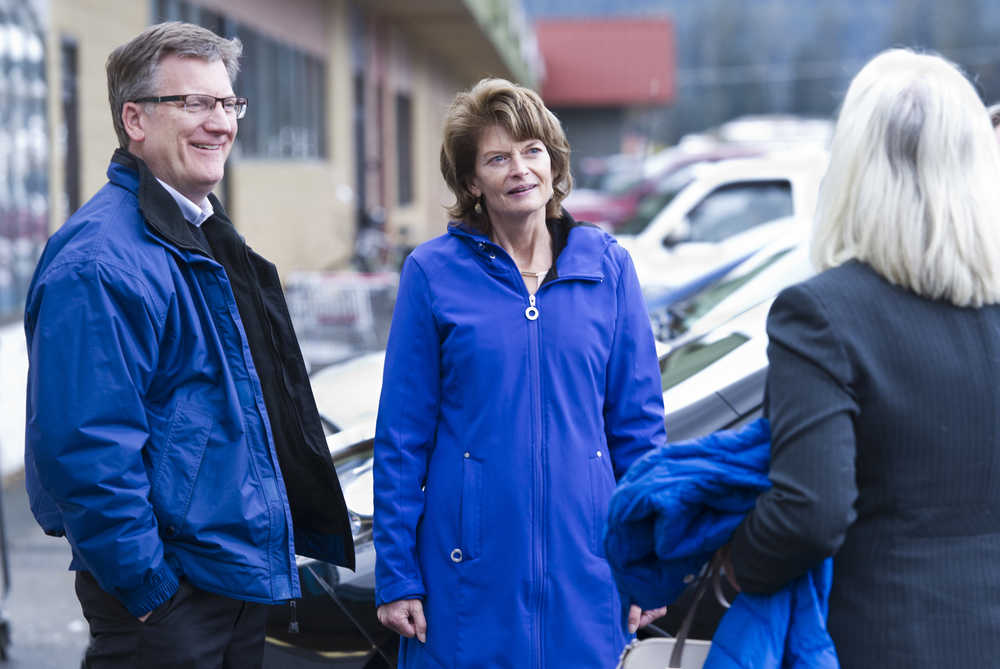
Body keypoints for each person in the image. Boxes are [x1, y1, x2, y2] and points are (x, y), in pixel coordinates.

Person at [24, 22, 354, 668]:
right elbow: (86, 454)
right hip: (167, 603)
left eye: (228, 103)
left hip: (224, 584)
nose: (221, 123)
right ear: (135, 119)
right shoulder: (101, 261)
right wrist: (151, 593)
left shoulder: (193, 234)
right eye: (195, 103)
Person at [372, 78, 668, 668]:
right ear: (470, 181)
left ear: (555, 166)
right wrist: (397, 573)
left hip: (586, 566)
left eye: (532, 151)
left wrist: (649, 562)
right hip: (467, 572)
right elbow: (402, 437)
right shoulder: (432, 274)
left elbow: (638, 431)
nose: (519, 169)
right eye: (497, 157)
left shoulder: (607, 268)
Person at [726, 48, 1000, 666]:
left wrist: (733, 566)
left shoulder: (821, 314)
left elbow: (810, 512)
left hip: (886, 637)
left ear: (853, 167)